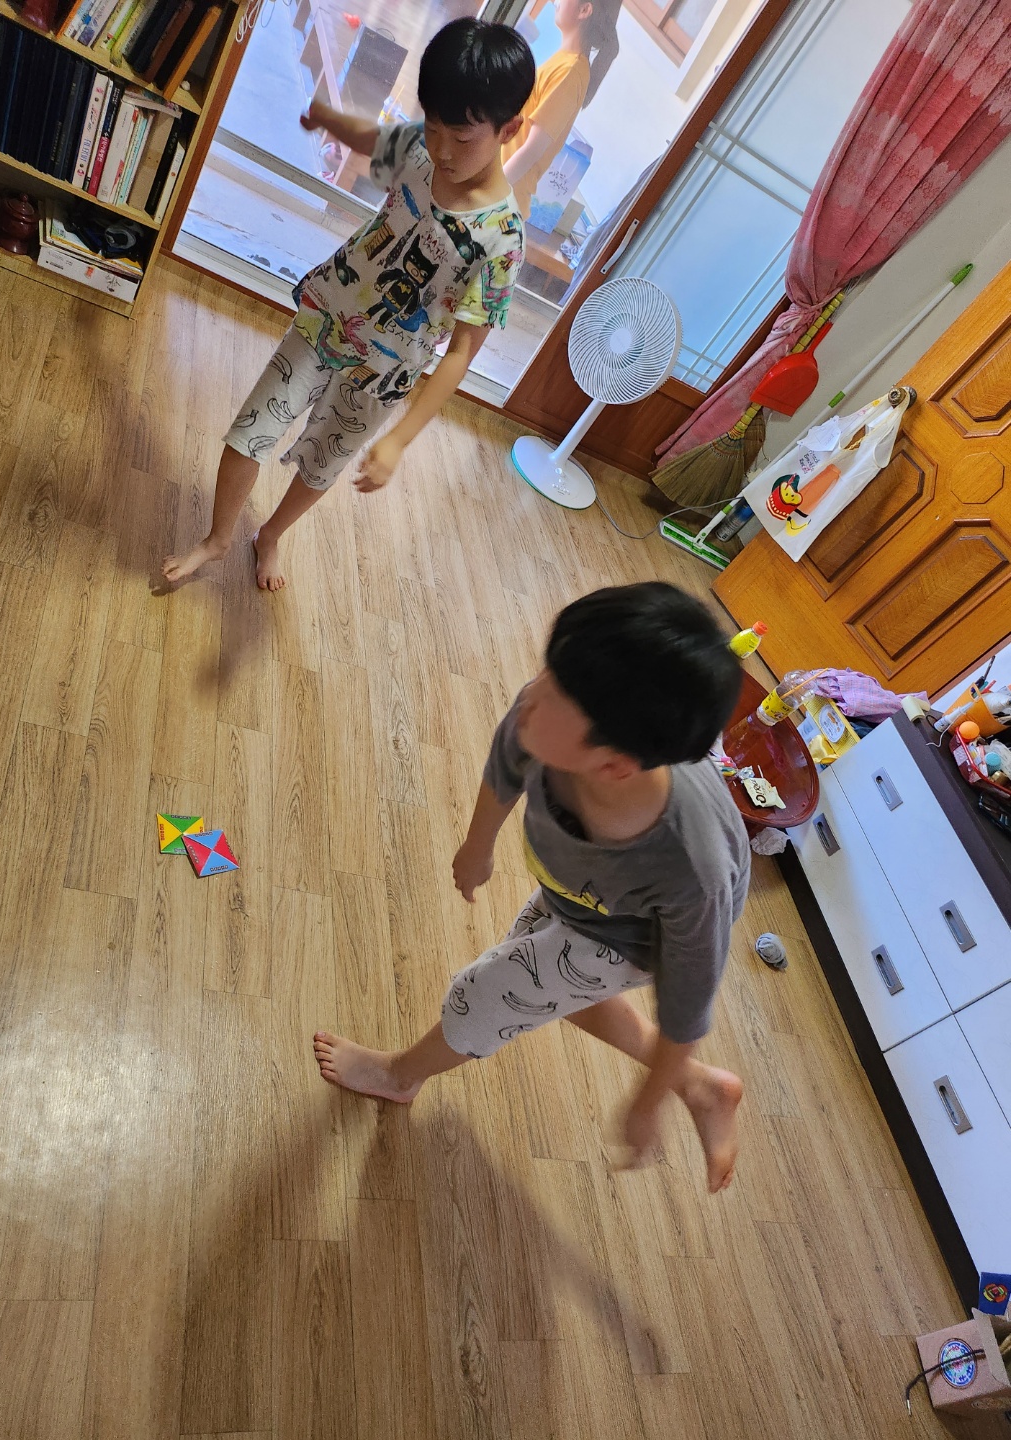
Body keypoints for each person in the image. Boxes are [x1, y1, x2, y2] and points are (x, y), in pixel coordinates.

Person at [314, 582, 751, 1192]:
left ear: (614, 764)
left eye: (556, 694)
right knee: (555, 991)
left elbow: (688, 1004)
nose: (532, 694)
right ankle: (701, 1087)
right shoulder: (543, 716)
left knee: (488, 993)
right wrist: (477, 846)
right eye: (552, 670)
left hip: (630, 937)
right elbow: (506, 763)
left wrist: (645, 1104)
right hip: (578, 893)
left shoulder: (689, 871)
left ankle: (399, 1075)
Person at [162, 18, 534, 591]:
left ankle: (270, 536)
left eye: (461, 139)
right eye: (434, 126)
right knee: (250, 429)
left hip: (384, 373)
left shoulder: (502, 241)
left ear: (510, 128)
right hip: (327, 318)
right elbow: (376, 142)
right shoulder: (421, 148)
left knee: (322, 465)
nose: (441, 149)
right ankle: (217, 539)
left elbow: (462, 353)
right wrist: (328, 120)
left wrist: (399, 440)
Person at [502, 0, 622, 222]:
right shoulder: (565, 62)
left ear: (584, 10)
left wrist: (488, 197)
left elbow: (532, 150)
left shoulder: (570, 72)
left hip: (502, 203)